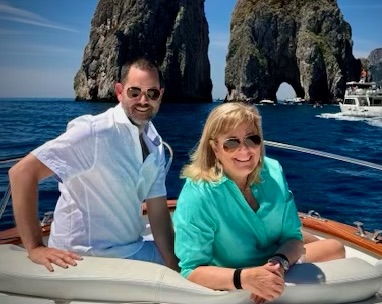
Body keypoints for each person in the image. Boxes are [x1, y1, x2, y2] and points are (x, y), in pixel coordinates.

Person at [9, 57, 179, 272]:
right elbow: (22, 173)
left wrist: (174, 265)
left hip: (129, 249)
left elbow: (158, 211)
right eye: (134, 92)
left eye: (151, 93)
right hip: (85, 257)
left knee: (192, 255)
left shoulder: (154, 142)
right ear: (119, 91)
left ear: (160, 95)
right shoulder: (94, 132)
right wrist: (34, 247)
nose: (143, 100)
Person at [173, 102, 345, 304]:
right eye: (232, 142)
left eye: (252, 139)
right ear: (215, 148)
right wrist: (245, 278)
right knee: (331, 248)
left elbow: (293, 238)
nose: (244, 150)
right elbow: (191, 271)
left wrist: (278, 265)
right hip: (237, 269)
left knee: (336, 247)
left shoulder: (273, 171)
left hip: (274, 258)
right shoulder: (199, 193)